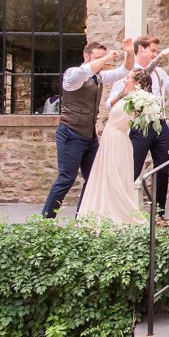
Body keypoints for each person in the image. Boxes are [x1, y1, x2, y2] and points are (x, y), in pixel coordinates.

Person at [42, 38, 134, 218]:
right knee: (66, 179)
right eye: (98, 57)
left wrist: (129, 53)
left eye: (104, 58)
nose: (103, 62)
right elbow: (86, 71)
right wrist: (107, 56)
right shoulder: (73, 74)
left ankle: (82, 218)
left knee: (93, 178)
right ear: (86, 56)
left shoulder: (99, 77)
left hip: (89, 136)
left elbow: (125, 70)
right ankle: (46, 221)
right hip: (70, 133)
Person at [107, 36, 169, 218]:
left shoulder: (159, 72)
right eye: (152, 50)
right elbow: (109, 103)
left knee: (163, 168)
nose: (155, 53)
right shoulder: (127, 73)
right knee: (133, 168)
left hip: (161, 124)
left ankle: (158, 213)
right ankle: (122, 210)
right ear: (141, 49)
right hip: (139, 125)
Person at [77, 69, 151, 224]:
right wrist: (123, 93)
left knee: (114, 179)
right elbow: (111, 105)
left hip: (117, 142)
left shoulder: (136, 101)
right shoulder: (128, 97)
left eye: (128, 78)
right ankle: (105, 212)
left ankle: (120, 215)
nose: (124, 80)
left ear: (136, 83)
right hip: (111, 141)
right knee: (106, 178)